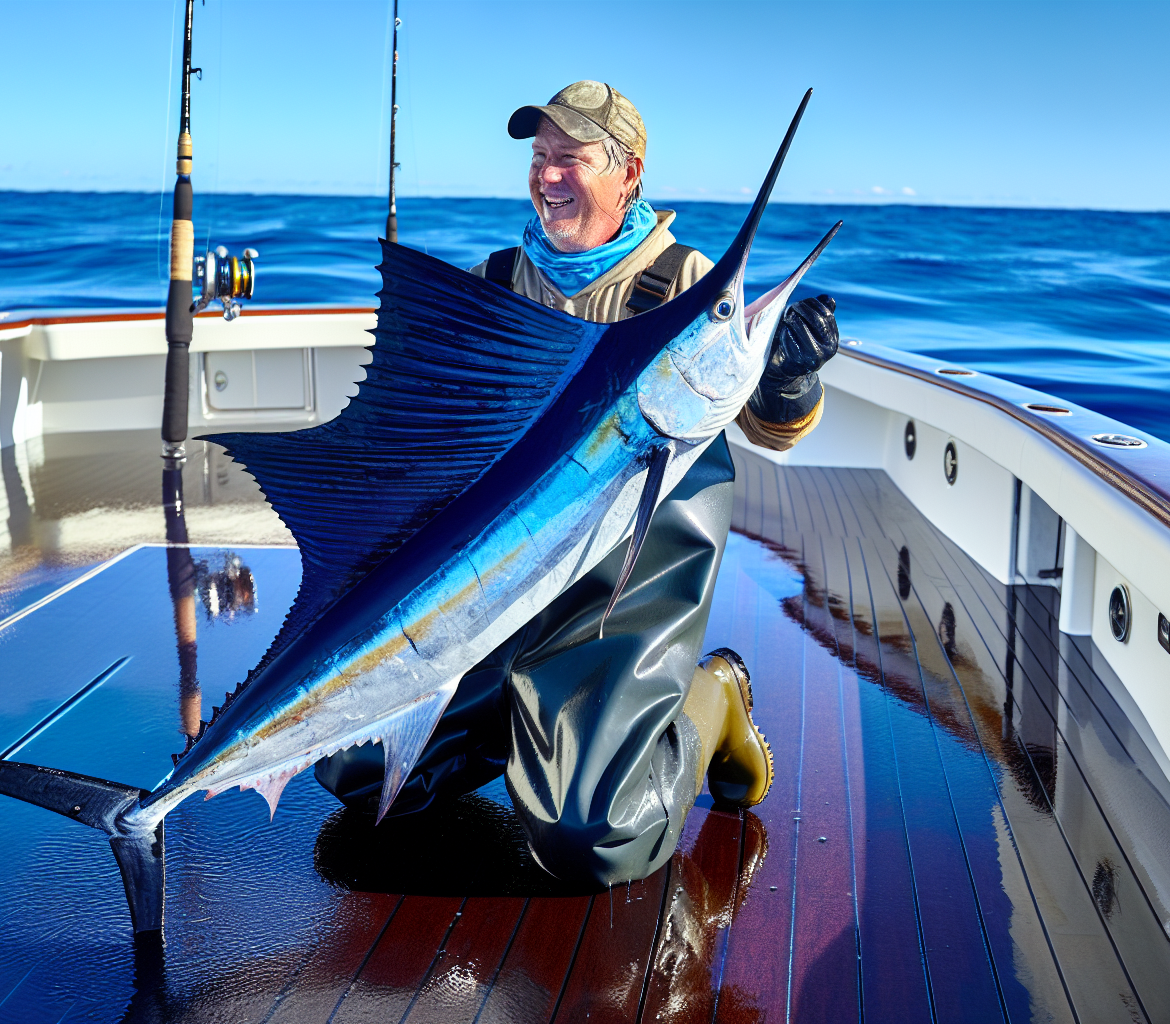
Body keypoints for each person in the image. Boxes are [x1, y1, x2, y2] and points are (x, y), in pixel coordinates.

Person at [316, 81, 841, 889]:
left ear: (629, 173)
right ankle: (522, 722)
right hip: (489, 595)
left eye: (572, 156)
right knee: (354, 769)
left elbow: (772, 427)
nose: (549, 174)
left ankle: (712, 699)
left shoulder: (684, 282)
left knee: (592, 838)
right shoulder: (489, 283)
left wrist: (790, 381)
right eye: (539, 156)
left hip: (616, 599)